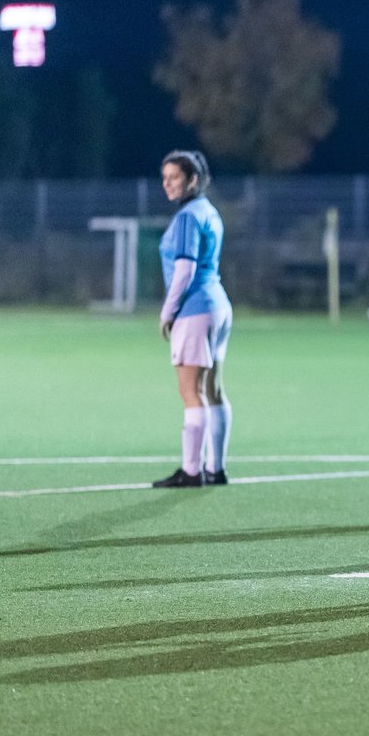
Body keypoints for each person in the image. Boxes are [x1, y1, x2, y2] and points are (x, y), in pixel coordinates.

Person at [153, 150, 232, 489]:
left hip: (195, 309)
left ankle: (190, 470)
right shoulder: (209, 212)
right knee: (213, 390)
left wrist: (167, 311)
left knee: (190, 391)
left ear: (193, 180)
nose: (167, 184)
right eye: (165, 177)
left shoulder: (187, 216)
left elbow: (184, 271)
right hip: (218, 305)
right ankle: (215, 468)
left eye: (174, 177)